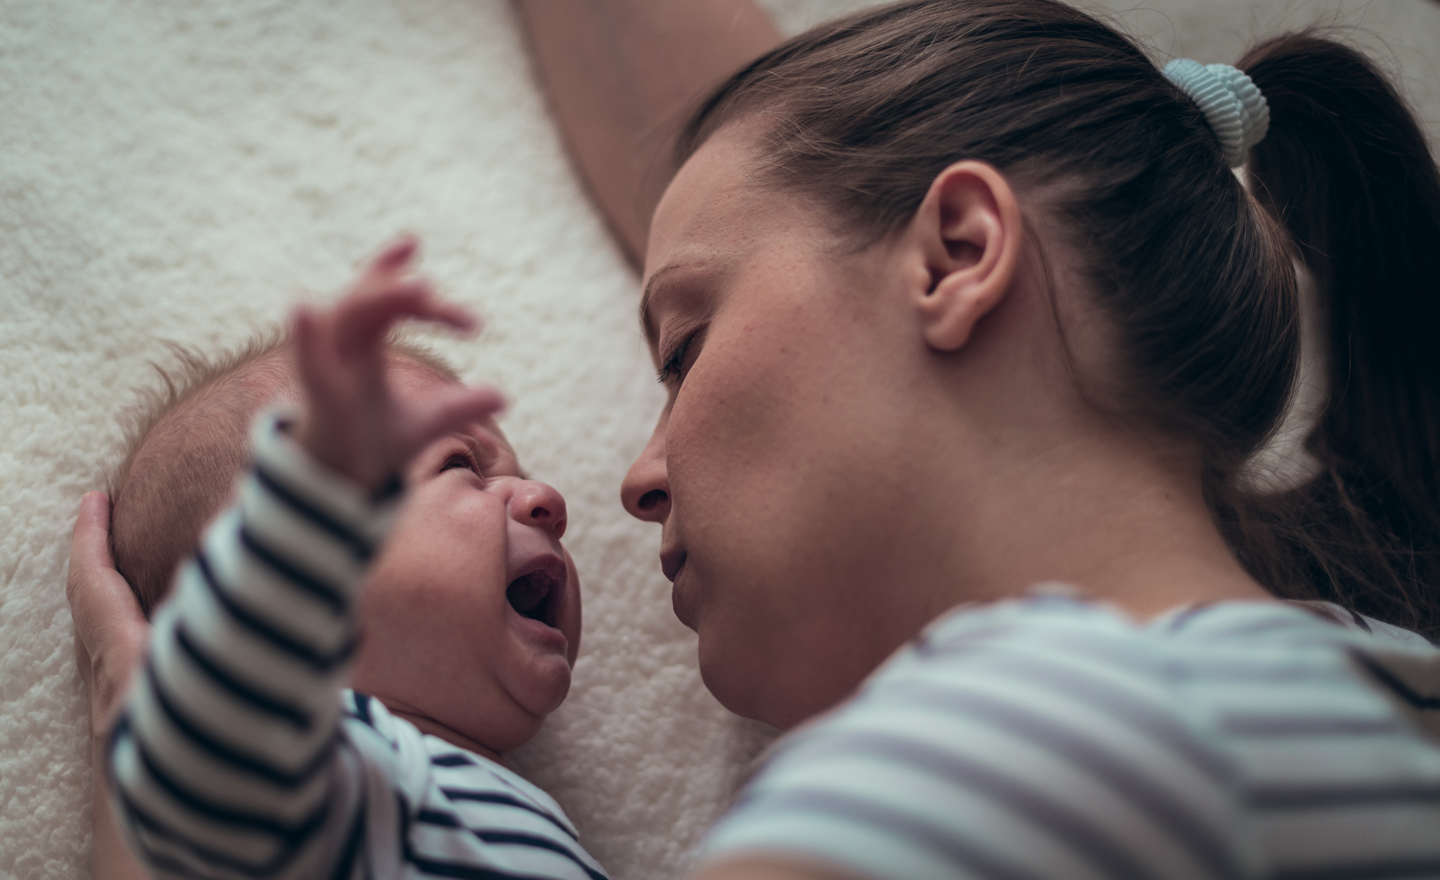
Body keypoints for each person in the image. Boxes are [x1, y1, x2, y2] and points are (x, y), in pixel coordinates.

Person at [73, 0, 1440, 877]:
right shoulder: (1356, 682)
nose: (629, 478)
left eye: (682, 349)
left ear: (960, 255)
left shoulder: (1054, 731)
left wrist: (141, 774)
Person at [86, 239, 610, 880]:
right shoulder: (341, 767)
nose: (543, 499)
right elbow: (192, 756)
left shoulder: (491, 801)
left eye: (522, 475)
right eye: (459, 465)